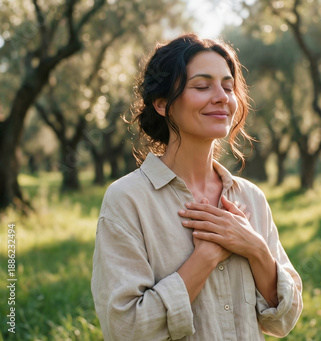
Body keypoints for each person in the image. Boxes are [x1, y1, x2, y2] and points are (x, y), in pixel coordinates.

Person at [91, 33, 303, 341]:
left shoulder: (250, 198)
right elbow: (126, 330)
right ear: (162, 103)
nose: (222, 97)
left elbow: (283, 321)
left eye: (228, 87)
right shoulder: (128, 199)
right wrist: (205, 257)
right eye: (202, 86)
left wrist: (255, 248)